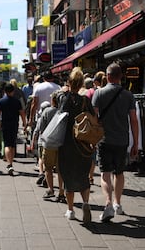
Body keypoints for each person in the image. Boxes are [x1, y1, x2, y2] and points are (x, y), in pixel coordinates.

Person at [92, 62, 138, 222]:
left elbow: (94, 118)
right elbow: (133, 120)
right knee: (119, 173)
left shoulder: (99, 93)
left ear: (108, 76)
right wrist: (136, 143)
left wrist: (92, 138)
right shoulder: (128, 95)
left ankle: (108, 204)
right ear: (121, 77)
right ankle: (118, 203)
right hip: (122, 140)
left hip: (104, 140)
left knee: (105, 174)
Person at [57, 67, 95, 224]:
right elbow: (94, 118)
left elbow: (60, 118)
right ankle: (85, 203)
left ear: (70, 82)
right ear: (81, 84)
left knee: (68, 175)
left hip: (67, 143)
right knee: (83, 175)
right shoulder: (85, 100)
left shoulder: (65, 98)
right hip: (83, 144)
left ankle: (71, 210)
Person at [37, 91, 65, 202]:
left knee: (48, 168)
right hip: (61, 144)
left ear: (53, 100)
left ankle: (51, 189)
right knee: (61, 170)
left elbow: (41, 129)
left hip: (48, 144)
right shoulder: (63, 112)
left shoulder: (47, 111)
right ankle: (61, 192)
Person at [0, 83, 27, 176]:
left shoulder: (2, 101)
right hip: (14, 124)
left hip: (5, 124)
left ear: (5, 91)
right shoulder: (16, 101)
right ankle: (11, 162)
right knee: (12, 144)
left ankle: (9, 164)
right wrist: (24, 123)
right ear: (13, 91)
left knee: (6, 144)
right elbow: (22, 113)